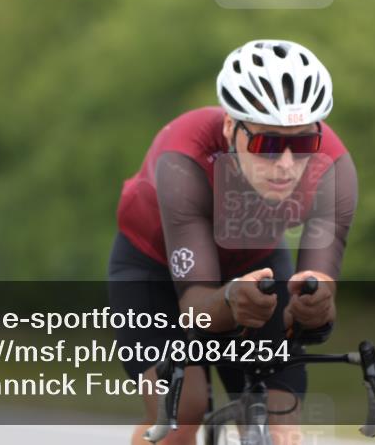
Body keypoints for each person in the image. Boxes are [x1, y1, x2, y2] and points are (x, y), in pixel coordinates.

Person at [108, 39, 357, 445]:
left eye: (303, 144)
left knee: (282, 425)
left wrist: (314, 303)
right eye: (267, 144)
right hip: (153, 269)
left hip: (254, 263)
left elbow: (318, 289)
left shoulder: (335, 168)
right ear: (230, 128)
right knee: (181, 415)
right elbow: (196, 308)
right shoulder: (183, 159)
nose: (286, 165)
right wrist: (229, 302)